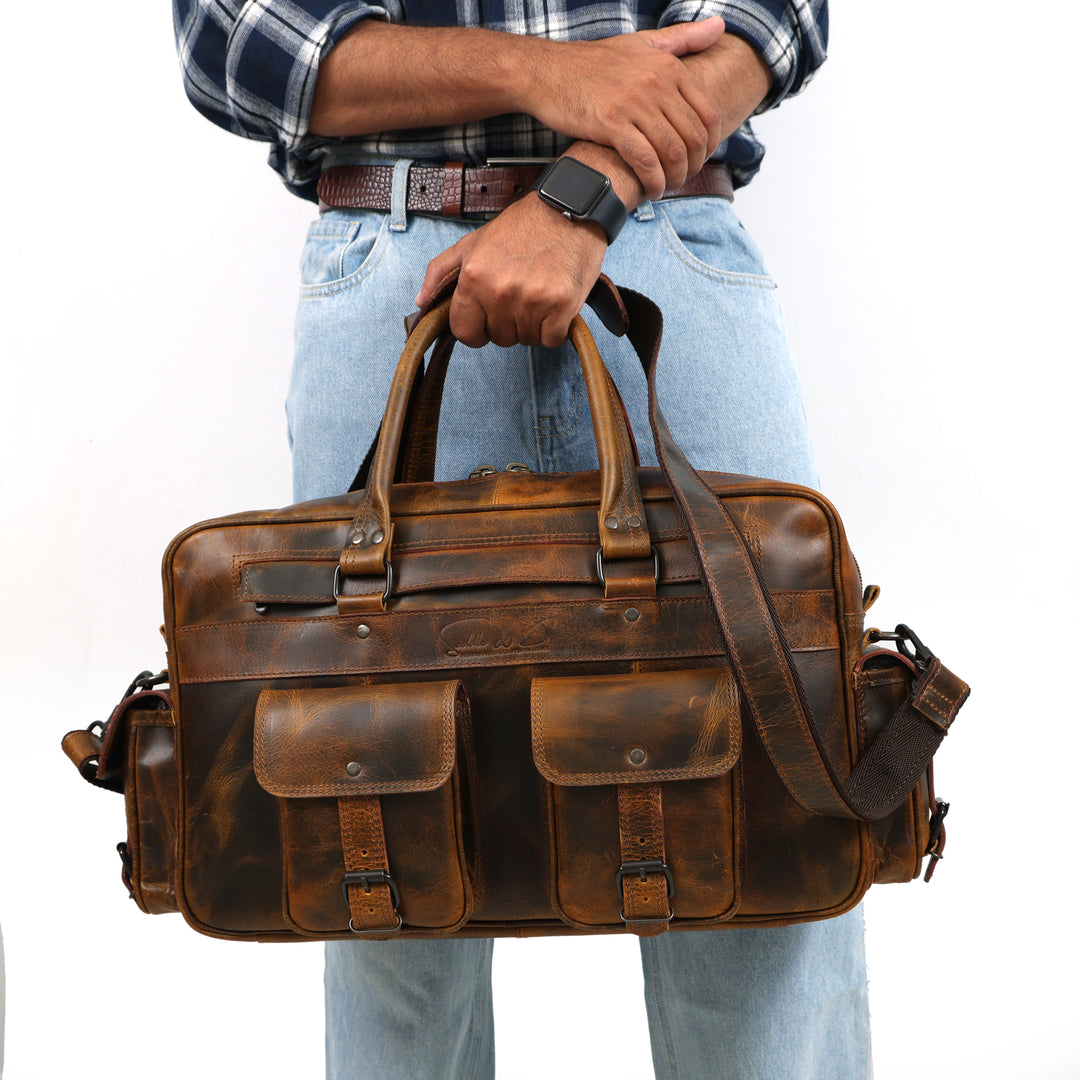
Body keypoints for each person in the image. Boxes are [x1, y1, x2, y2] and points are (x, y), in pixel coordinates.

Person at [172, 1, 872, 1076]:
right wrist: (549, 76)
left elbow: (773, 15)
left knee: (768, 834)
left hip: (668, 237)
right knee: (381, 849)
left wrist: (579, 198)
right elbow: (240, 43)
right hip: (396, 266)